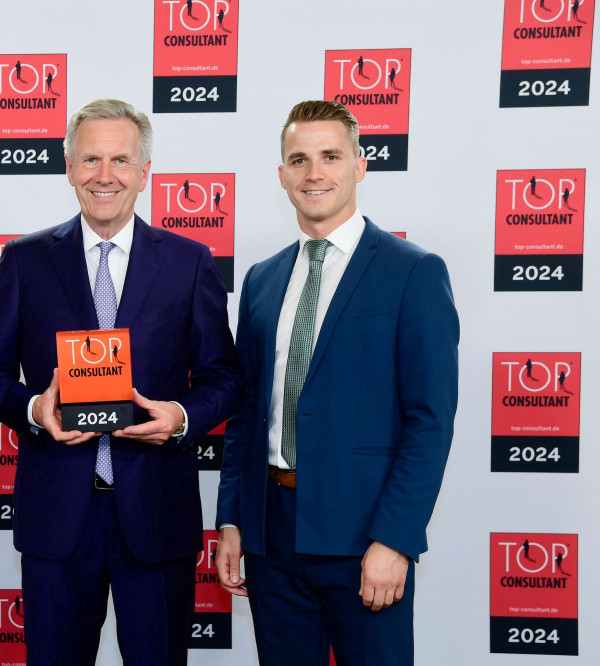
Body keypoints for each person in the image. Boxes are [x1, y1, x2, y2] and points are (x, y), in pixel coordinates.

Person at [0, 98, 241, 666]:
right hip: (58, 517)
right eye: (90, 159)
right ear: (68, 167)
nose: (105, 175)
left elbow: (223, 376)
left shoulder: (190, 262)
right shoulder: (24, 261)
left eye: (120, 159)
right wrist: (32, 408)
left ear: (145, 172)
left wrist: (182, 418)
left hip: (157, 513)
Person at [215, 100, 459, 666]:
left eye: (330, 156)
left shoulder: (413, 272)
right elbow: (248, 413)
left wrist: (395, 539)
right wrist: (233, 519)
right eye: (298, 160)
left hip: (365, 539)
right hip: (271, 537)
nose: (314, 172)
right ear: (282, 176)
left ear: (360, 165)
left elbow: (430, 421)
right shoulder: (261, 279)